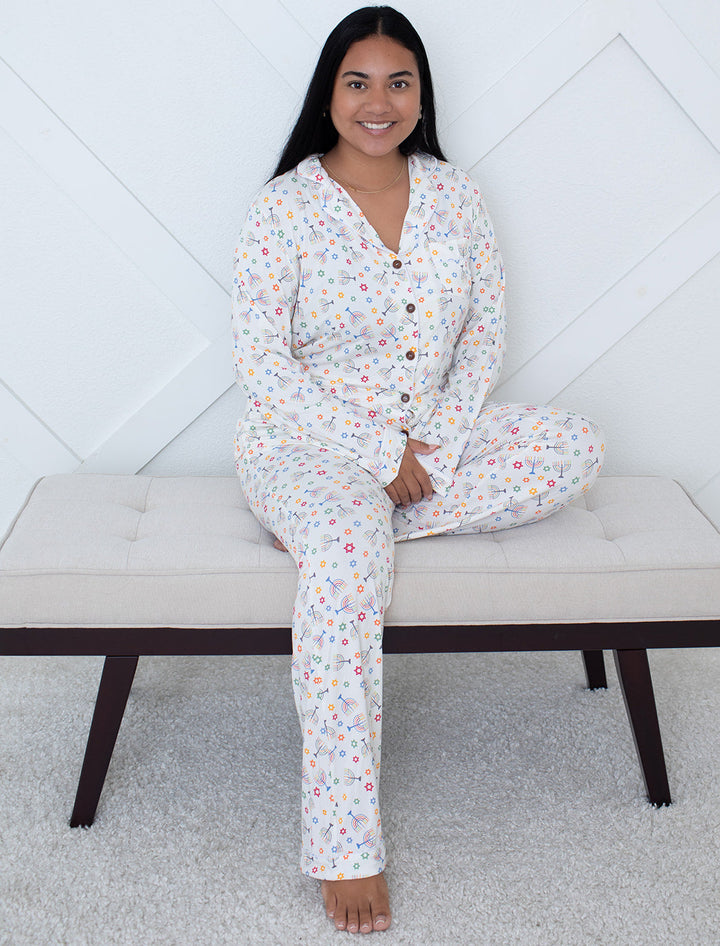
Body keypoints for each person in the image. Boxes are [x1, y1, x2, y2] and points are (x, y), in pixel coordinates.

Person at [231, 6, 605, 934]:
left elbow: (483, 333)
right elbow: (262, 363)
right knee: (349, 554)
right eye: (358, 82)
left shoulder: (456, 196)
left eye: (399, 82)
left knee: (574, 443)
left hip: (430, 443)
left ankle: (348, 531)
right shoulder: (284, 208)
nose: (379, 101)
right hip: (305, 442)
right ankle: (345, 846)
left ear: (421, 95)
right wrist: (373, 455)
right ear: (329, 93)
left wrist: (428, 447)